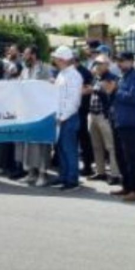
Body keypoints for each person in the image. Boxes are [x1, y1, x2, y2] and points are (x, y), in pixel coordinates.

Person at [108, 52, 135, 202]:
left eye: (122, 61)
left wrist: (115, 91)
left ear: (130, 61)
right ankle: (127, 186)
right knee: (121, 156)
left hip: (130, 122)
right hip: (119, 121)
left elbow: (134, 97)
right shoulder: (122, 76)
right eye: (118, 60)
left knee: (132, 158)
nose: (119, 64)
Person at [15, 46, 52, 187]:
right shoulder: (24, 70)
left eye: (26, 54)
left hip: (41, 112)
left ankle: (43, 174)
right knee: (29, 144)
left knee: (41, 143)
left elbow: (48, 88)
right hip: (27, 112)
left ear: (34, 55)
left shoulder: (45, 69)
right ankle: (31, 173)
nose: (23, 57)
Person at [51, 46, 83, 191]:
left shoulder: (74, 76)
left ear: (62, 59)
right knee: (61, 149)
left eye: (56, 57)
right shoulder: (62, 74)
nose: (54, 60)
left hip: (68, 118)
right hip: (60, 118)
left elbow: (74, 101)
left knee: (69, 149)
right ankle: (63, 176)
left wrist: (63, 117)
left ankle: (72, 180)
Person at [87, 55, 121, 185]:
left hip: (104, 115)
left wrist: (94, 88)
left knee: (110, 146)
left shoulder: (112, 77)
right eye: (96, 63)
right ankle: (100, 172)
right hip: (92, 114)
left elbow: (108, 92)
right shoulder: (95, 77)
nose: (97, 66)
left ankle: (115, 174)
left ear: (107, 65)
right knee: (96, 146)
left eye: (100, 63)